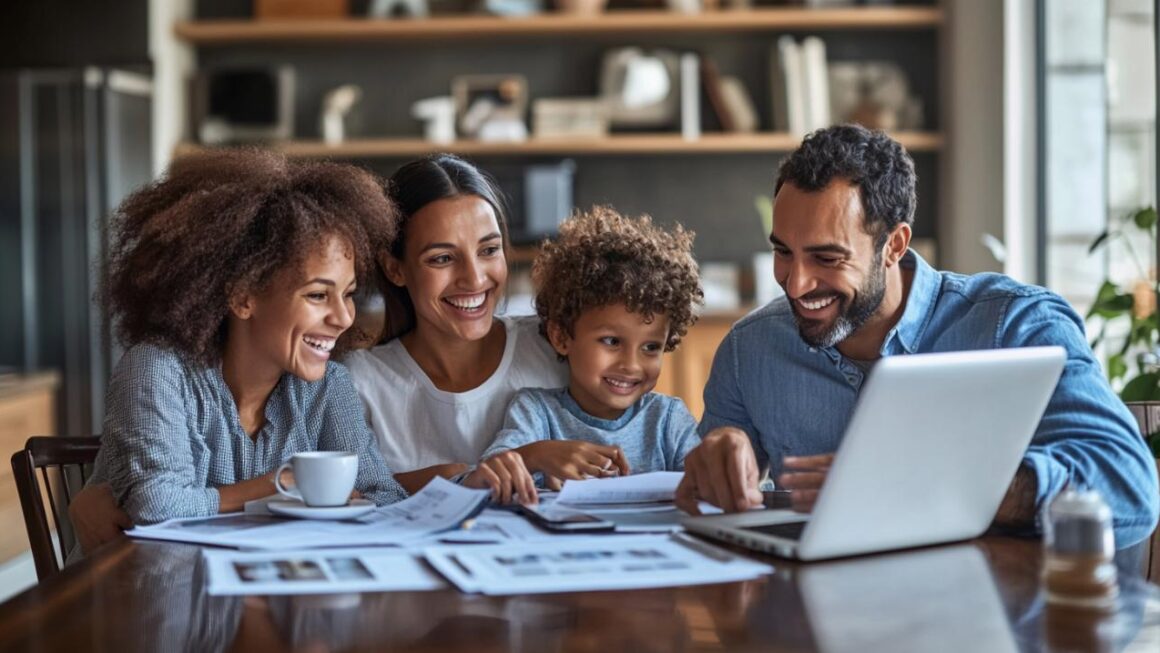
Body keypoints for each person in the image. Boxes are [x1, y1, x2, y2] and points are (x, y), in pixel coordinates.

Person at [675, 124, 1160, 550]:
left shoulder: (1018, 325)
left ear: (895, 245)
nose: (796, 284)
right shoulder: (751, 349)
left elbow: (1129, 487)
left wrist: (945, 483)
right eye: (784, 252)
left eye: (826, 258)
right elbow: (713, 498)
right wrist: (715, 461)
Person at [70, 149, 407, 549]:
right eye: (318, 295)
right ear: (243, 297)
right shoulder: (157, 369)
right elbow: (157, 504)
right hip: (139, 597)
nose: (344, 317)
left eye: (348, 294)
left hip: (260, 590)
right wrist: (275, 488)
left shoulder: (328, 386)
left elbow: (384, 498)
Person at [342, 154, 569, 496]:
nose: (475, 278)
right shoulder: (359, 382)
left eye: (489, 250)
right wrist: (460, 476)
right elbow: (345, 492)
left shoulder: (556, 347)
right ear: (395, 269)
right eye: (443, 258)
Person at [473, 206, 704, 503]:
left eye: (650, 347)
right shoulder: (536, 411)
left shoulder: (667, 420)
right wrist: (537, 455)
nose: (631, 365)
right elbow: (489, 477)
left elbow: (710, 486)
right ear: (561, 336)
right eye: (611, 341)